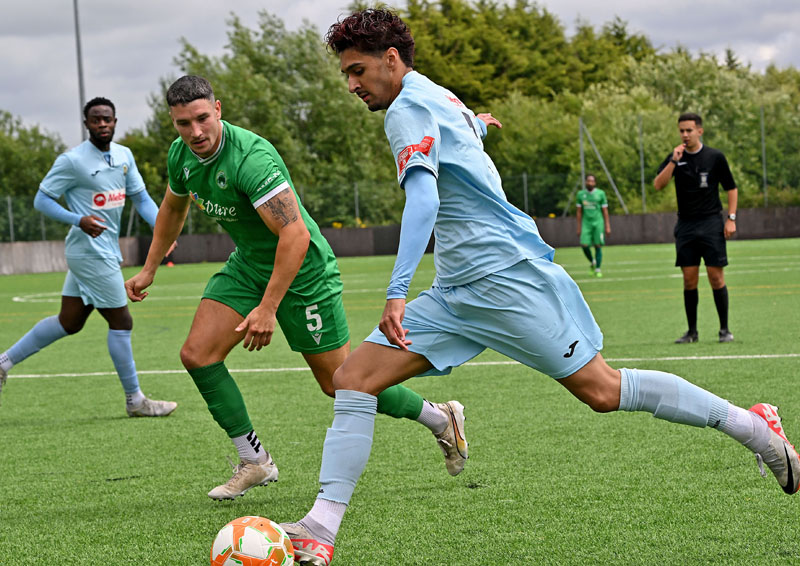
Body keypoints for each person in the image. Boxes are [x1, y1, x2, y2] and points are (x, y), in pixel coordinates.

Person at [279, 10, 798, 565]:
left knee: (602, 391)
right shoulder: (437, 95)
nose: (352, 85)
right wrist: (476, 125)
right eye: (346, 74)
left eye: (357, 71)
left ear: (390, 59)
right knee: (353, 379)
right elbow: (459, 134)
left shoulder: (406, 109)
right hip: (457, 292)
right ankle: (320, 530)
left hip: (507, 280)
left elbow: (424, 199)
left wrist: (396, 290)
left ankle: (754, 427)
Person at [124, 75, 466, 501]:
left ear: (218, 110)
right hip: (249, 266)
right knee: (197, 354)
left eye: (202, 119)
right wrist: (149, 268)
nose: (195, 132)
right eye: (183, 124)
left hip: (304, 273)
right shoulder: (181, 155)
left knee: (341, 382)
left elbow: (295, 235)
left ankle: (440, 418)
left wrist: (268, 308)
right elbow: (173, 209)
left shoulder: (252, 159)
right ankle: (253, 459)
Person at [0, 97, 177, 418]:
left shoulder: (124, 156)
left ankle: (2, 363)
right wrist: (78, 219)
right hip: (90, 252)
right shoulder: (72, 161)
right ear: (86, 124)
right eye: (96, 119)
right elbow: (42, 200)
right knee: (121, 321)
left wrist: (162, 230)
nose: (102, 124)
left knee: (69, 321)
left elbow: (140, 198)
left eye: (107, 119)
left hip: (100, 251)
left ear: (115, 121)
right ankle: (135, 401)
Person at [653, 113, 737, 344]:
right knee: (689, 280)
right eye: (681, 130)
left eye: (689, 130)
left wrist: (731, 218)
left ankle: (724, 330)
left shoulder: (715, 157)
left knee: (715, 277)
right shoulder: (675, 158)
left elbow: (731, 188)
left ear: (700, 131)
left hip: (711, 223)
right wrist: (673, 161)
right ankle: (692, 332)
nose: (685, 135)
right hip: (686, 225)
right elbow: (658, 185)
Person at [576, 174, 610, 277]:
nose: (590, 183)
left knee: (598, 245)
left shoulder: (601, 194)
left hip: (598, 222)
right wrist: (579, 227)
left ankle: (598, 269)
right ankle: (592, 261)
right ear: (585, 182)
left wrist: (607, 226)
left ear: (595, 183)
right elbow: (579, 212)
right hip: (586, 223)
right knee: (584, 245)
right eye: (588, 181)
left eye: (592, 181)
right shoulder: (580, 194)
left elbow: (605, 211)